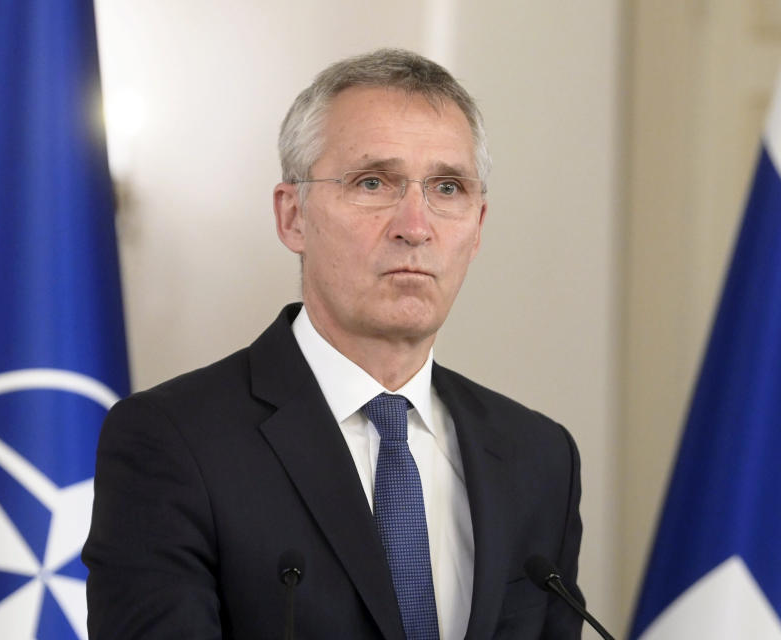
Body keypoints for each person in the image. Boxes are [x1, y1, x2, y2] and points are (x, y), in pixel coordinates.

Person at [83, 48, 583, 639]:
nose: (415, 226)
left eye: (447, 188)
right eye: (373, 182)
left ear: (477, 229)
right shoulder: (171, 441)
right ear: (293, 216)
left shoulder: (538, 458)